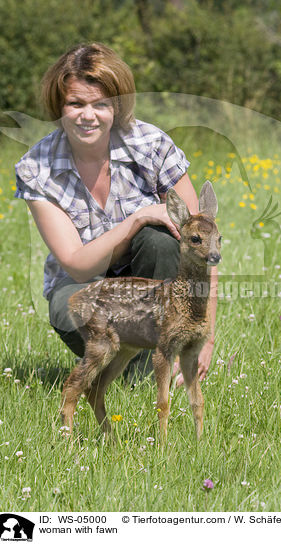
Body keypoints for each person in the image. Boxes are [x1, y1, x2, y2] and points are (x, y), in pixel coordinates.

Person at [14, 42, 216, 383]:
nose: (87, 115)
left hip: (153, 286)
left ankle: (155, 371)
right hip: (85, 285)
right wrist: (136, 219)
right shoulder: (37, 167)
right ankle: (141, 377)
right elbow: (78, 266)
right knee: (69, 306)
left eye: (101, 104)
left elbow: (201, 247)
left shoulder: (150, 145)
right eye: (75, 103)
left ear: (116, 106)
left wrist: (206, 336)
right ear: (59, 105)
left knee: (161, 241)